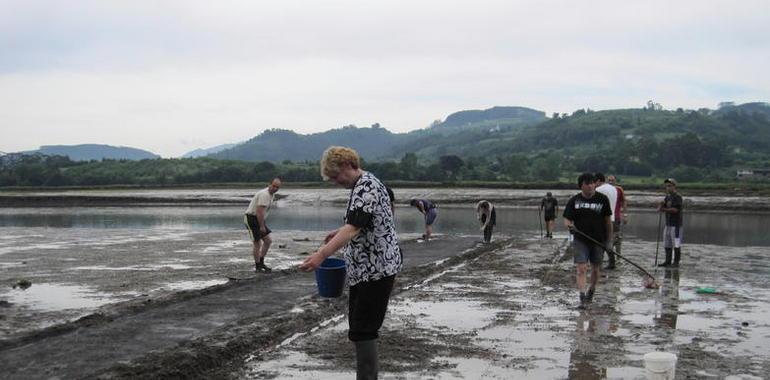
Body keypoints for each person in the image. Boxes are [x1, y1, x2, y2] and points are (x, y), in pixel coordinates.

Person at [299, 146, 402, 380]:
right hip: (368, 270)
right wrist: (339, 231)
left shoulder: (366, 187)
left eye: (335, 176)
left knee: (363, 331)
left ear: (347, 165)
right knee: (360, 329)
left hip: (375, 271)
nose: (335, 181)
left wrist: (320, 255)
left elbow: (354, 227)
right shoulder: (367, 183)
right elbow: (365, 220)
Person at [563, 173, 613, 308]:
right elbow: (567, 218)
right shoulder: (574, 200)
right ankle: (582, 296)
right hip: (580, 240)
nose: (591, 186)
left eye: (592, 183)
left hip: (598, 240)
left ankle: (592, 290)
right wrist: (570, 226)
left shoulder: (602, 199)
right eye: (587, 183)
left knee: (596, 269)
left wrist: (609, 241)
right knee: (581, 268)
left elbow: (608, 222)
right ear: (581, 186)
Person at [244, 177, 281, 272]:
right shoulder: (264, 194)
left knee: (268, 241)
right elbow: (259, 212)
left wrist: (262, 224)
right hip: (251, 218)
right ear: (269, 184)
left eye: (277, 187)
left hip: (259, 219)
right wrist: (262, 226)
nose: (275, 188)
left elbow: (262, 213)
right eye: (273, 186)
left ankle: (261, 262)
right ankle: (258, 267)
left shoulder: (271, 194)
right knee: (257, 243)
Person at [657, 178, 684, 267]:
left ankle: (676, 262)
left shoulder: (677, 197)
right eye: (666, 186)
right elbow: (661, 208)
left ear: (674, 186)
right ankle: (667, 261)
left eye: (669, 186)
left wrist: (663, 209)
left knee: (676, 243)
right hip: (668, 224)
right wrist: (661, 205)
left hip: (676, 225)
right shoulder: (667, 197)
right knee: (667, 243)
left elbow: (675, 210)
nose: (667, 188)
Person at [594, 173, 619, 270]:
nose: (593, 185)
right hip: (612, 218)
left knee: (599, 242)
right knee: (608, 241)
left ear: (598, 181)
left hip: (602, 219)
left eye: (594, 182)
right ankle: (612, 262)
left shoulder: (599, 190)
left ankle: (598, 262)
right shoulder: (614, 189)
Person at [607, 175, 627, 259]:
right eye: (609, 180)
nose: (611, 182)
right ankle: (609, 257)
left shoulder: (619, 189)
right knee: (607, 237)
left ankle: (618, 257)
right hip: (606, 217)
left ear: (615, 181)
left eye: (612, 180)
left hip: (616, 217)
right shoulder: (605, 190)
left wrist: (625, 215)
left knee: (617, 237)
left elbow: (624, 202)